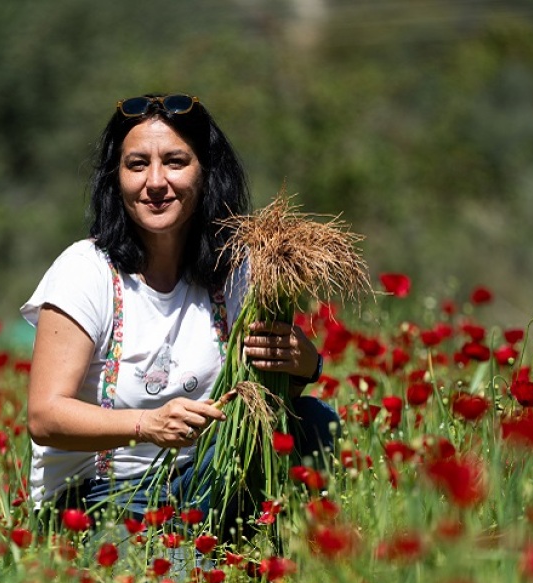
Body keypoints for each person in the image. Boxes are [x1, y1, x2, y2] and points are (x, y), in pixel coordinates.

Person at [21, 93, 336, 535]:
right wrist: (147, 425)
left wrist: (304, 364)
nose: (155, 181)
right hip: (99, 496)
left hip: (203, 479)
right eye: (136, 164)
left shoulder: (237, 269)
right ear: (116, 179)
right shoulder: (85, 270)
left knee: (315, 423)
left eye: (174, 161)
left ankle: (294, 552)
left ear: (206, 173)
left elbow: (264, 397)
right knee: (168, 582)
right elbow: (44, 417)